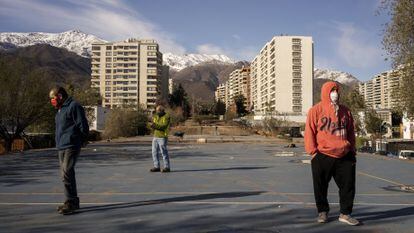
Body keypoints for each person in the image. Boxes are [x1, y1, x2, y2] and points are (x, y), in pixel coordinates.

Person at [305, 81, 359, 226]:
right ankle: (323, 212)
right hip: (322, 154)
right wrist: (313, 152)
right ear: (325, 92)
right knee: (320, 186)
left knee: (348, 186)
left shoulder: (345, 111)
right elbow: (309, 131)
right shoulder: (315, 110)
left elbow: (351, 132)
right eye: (332, 90)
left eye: (337, 90)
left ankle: (345, 214)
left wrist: (352, 150)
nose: (335, 93)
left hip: (344, 154)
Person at [49, 86, 89, 215]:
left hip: (72, 144)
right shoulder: (60, 110)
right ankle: (70, 201)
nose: (52, 101)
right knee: (64, 175)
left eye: (53, 98)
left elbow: (83, 124)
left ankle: (71, 202)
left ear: (60, 96)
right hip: (61, 146)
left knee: (67, 171)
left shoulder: (74, 106)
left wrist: (82, 139)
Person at [150, 105, 171, 172]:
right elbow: (153, 123)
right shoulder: (156, 116)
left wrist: (154, 126)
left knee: (163, 152)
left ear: (161, 111)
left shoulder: (167, 116)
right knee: (154, 152)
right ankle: (156, 166)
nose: (156, 112)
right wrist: (151, 124)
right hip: (155, 136)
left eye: (157, 111)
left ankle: (167, 167)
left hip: (162, 137)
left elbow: (163, 126)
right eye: (156, 111)